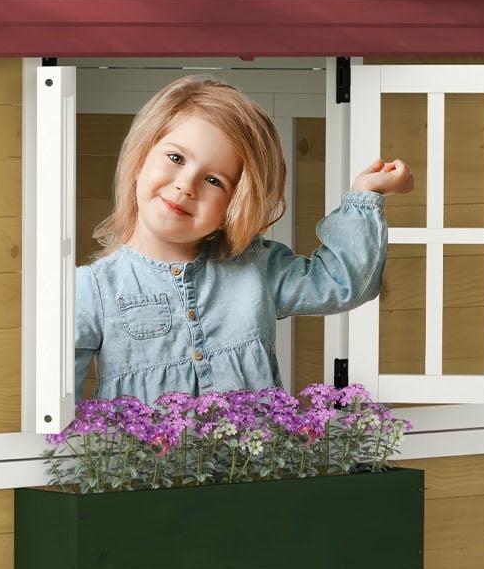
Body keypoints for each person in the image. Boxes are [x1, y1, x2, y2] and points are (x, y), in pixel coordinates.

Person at [73, 74, 414, 402]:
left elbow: (343, 282)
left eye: (214, 181)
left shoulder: (255, 269)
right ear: (139, 160)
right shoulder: (93, 290)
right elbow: (58, 415)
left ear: (234, 204)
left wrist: (364, 196)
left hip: (253, 463)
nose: (186, 186)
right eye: (175, 158)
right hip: (144, 463)